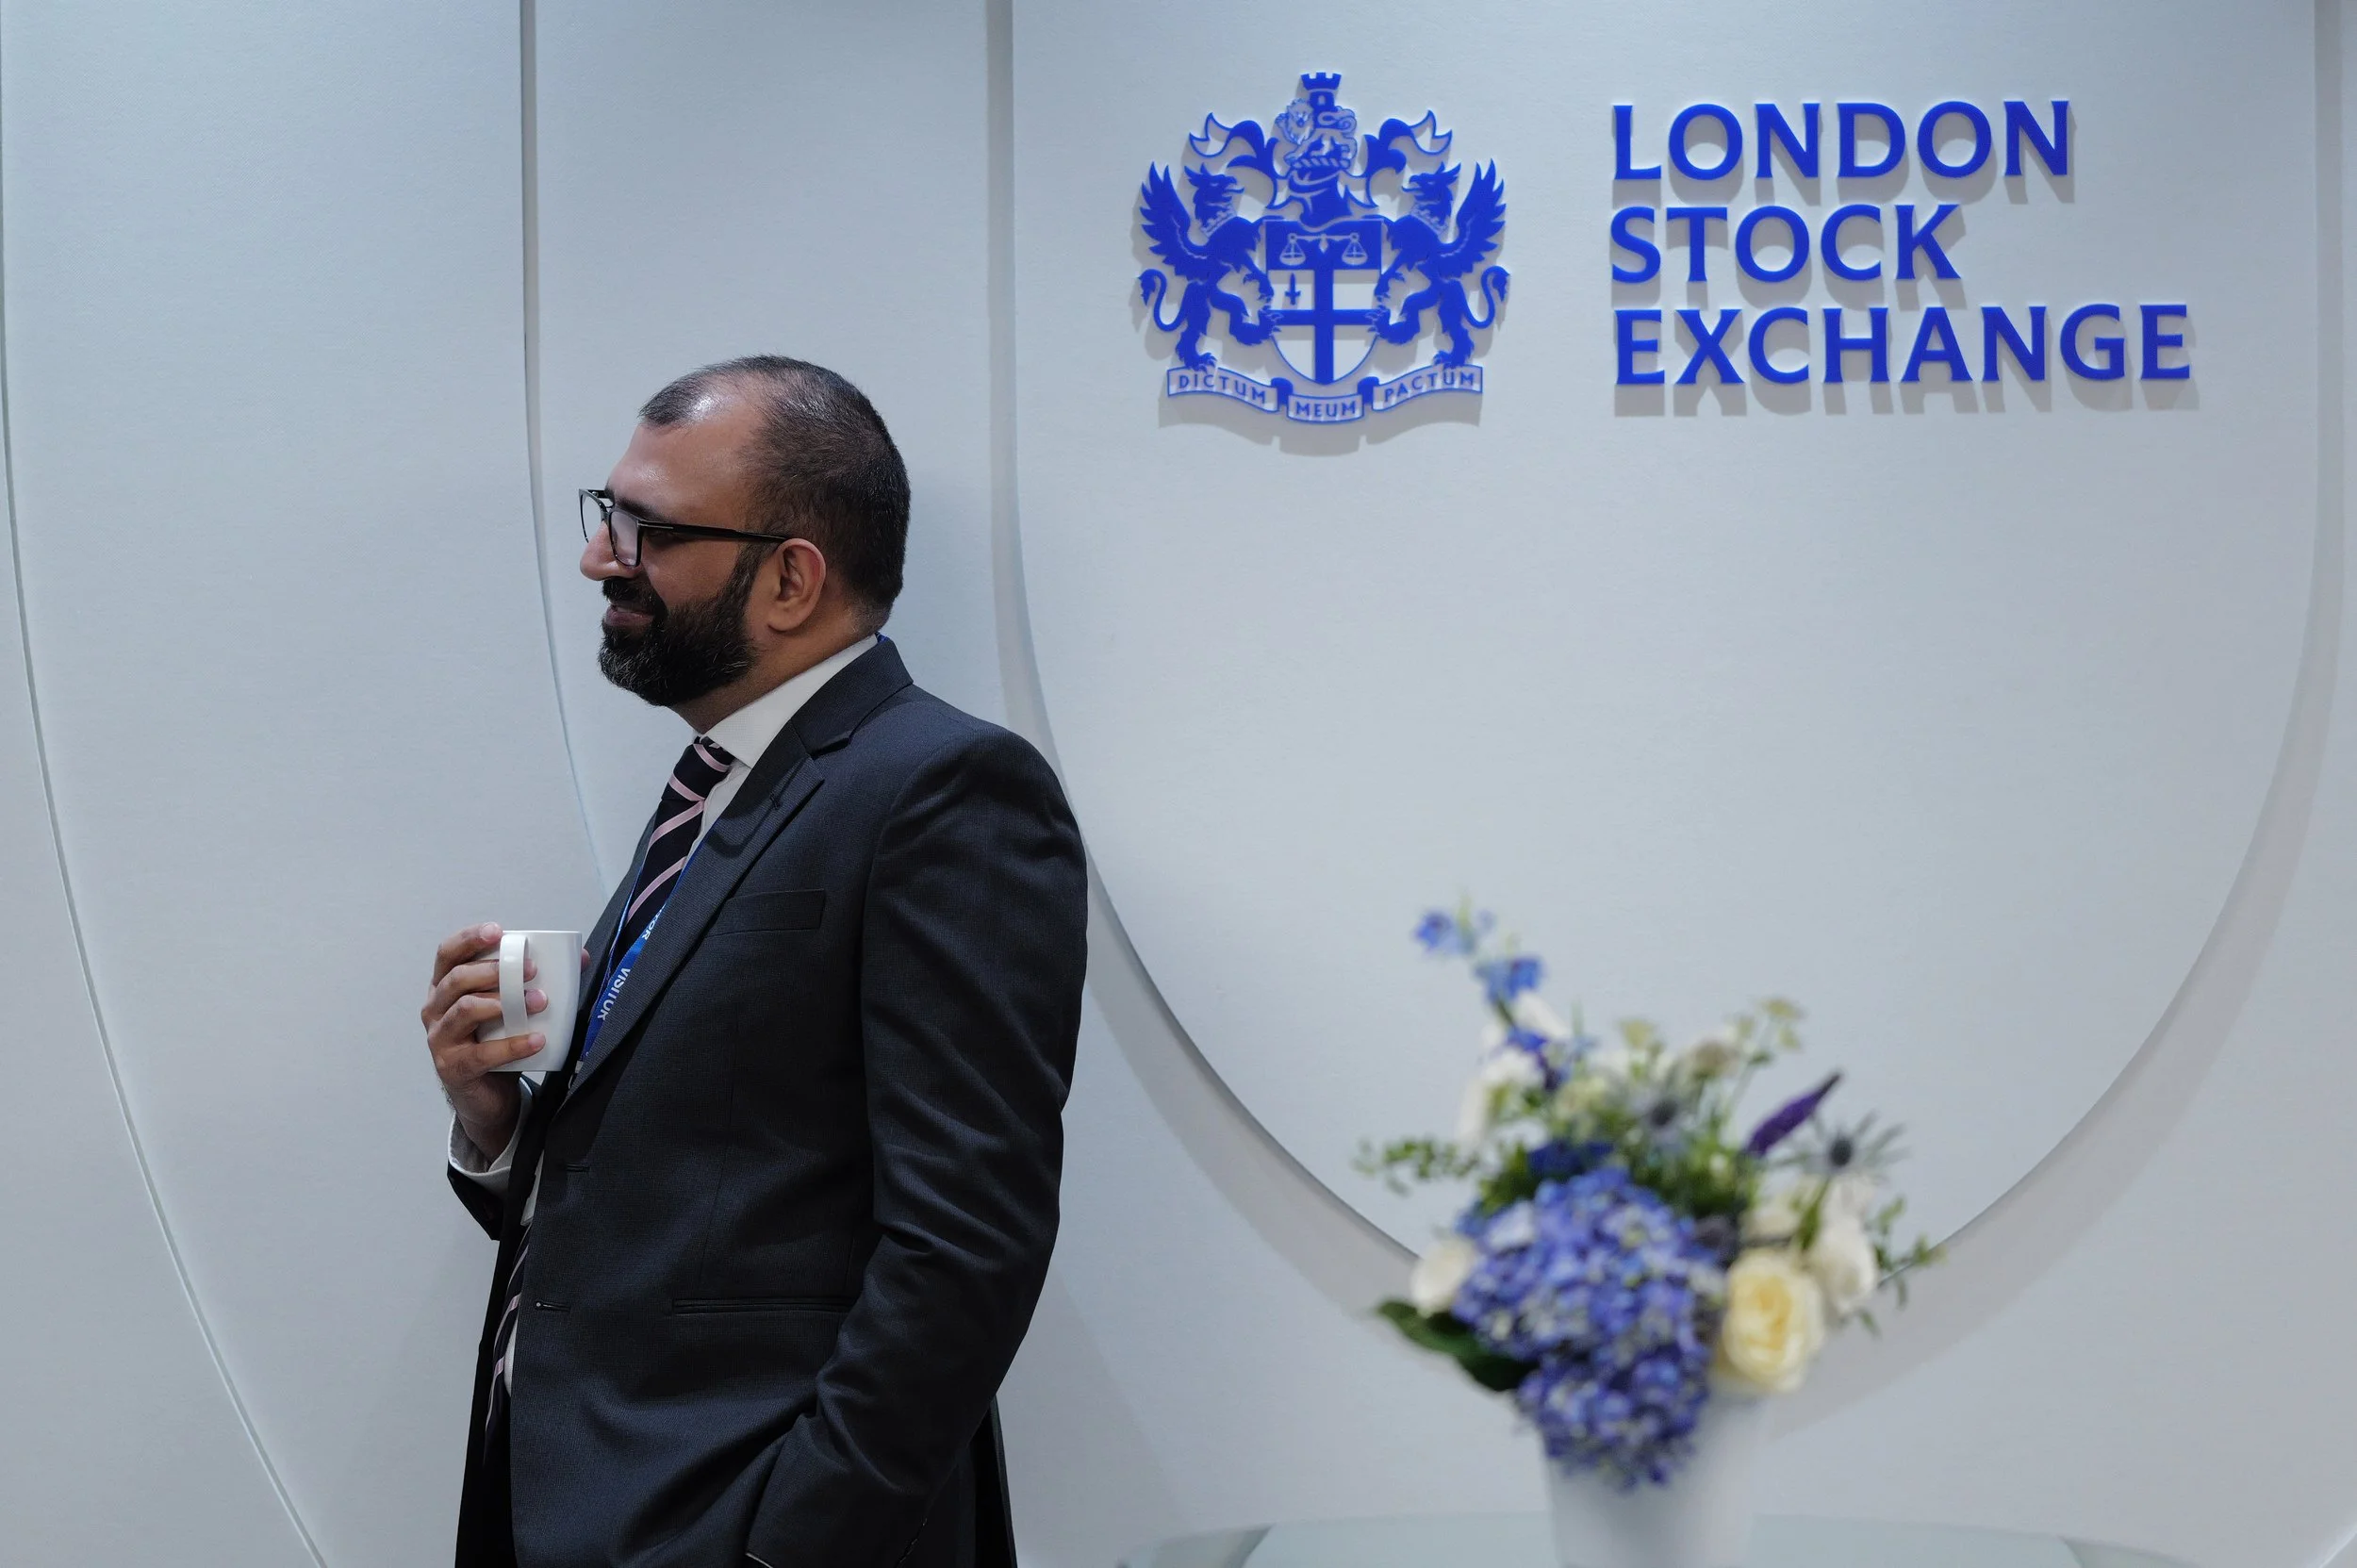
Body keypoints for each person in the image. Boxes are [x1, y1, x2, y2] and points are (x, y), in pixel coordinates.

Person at [417, 356, 1087, 1568]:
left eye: (650, 530)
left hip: (733, 1526)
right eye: (607, 515)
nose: (600, 558)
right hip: (576, 1504)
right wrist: (501, 1126)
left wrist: (792, 1544)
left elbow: (966, 1245)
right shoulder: (719, 785)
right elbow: (696, 1193)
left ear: (791, 579)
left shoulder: (944, 791)